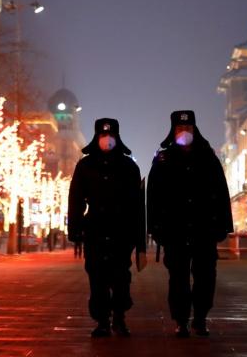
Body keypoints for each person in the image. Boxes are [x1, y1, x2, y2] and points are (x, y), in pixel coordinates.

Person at [147, 110, 231, 338]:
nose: (185, 133)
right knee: (178, 278)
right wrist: (155, 228)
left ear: (195, 130)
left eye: (189, 128)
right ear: (173, 131)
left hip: (204, 229)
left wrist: (223, 225)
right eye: (180, 129)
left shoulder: (208, 158)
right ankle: (181, 320)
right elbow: (152, 197)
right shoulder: (163, 160)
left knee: (206, 276)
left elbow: (222, 193)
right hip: (174, 230)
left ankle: (201, 318)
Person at [68, 118, 146, 338]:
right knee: (97, 277)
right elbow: (75, 198)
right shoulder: (85, 165)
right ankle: (102, 320)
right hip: (95, 229)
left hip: (122, 231)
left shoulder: (129, 166)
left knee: (121, 276)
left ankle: (119, 317)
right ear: (96, 137)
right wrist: (75, 228)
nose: (107, 139)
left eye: (110, 135)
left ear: (117, 136)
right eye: (102, 135)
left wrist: (139, 236)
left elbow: (137, 205)